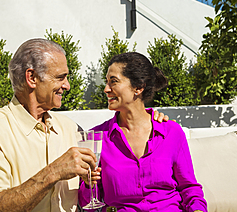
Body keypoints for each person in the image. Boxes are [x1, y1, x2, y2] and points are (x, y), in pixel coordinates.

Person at [0, 38, 168, 212]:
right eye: (61, 77)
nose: (67, 86)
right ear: (32, 78)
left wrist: (149, 119)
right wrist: (53, 173)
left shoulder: (71, 130)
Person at [79, 52, 207, 212]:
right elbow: (89, 204)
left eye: (114, 82)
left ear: (138, 87)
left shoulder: (171, 132)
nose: (106, 89)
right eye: (107, 82)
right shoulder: (97, 138)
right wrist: (88, 184)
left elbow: (189, 189)